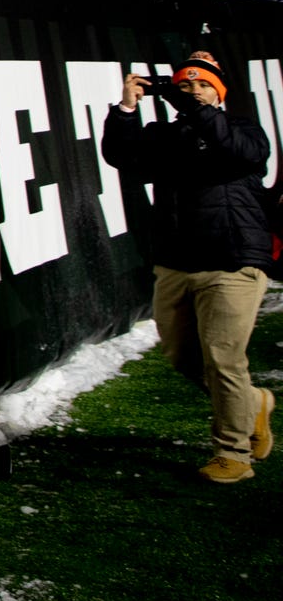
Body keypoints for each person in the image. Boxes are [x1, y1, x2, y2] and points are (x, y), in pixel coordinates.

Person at [103, 57, 276, 482]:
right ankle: (253, 405)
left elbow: (237, 152)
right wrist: (125, 110)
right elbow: (122, 157)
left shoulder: (243, 131)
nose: (195, 91)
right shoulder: (165, 136)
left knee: (222, 359)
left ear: (220, 92)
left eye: (203, 87)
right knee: (180, 354)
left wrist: (193, 107)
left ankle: (234, 453)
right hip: (177, 262)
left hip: (233, 263)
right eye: (185, 86)